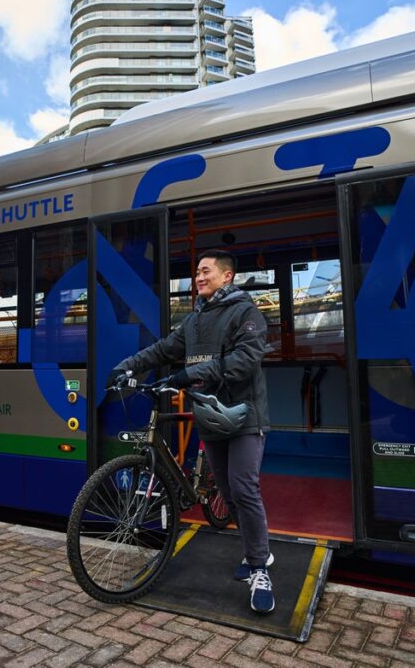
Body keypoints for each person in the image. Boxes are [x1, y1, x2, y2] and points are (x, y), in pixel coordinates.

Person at [107, 249, 274, 614]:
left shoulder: (246, 312)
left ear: (227, 276)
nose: (198, 277)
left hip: (245, 417)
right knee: (229, 494)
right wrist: (126, 366)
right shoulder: (196, 320)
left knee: (244, 488)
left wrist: (192, 374)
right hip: (211, 417)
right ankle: (252, 550)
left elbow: (246, 361)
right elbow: (164, 349)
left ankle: (260, 567)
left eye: (205, 271)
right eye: (196, 272)